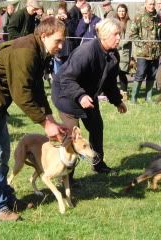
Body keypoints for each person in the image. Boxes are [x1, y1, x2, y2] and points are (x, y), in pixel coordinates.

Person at [0, 17, 67, 222]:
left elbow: (37, 88)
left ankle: (5, 199)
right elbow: (21, 93)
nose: (62, 45)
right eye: (58, 40)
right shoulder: (26, 51)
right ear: (44, 35)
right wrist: (44, 123)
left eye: (63, 40)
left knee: (2, 152)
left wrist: (50, 118)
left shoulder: (39, 52)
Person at [51, 18, 127, 177]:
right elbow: (66, 78)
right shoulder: (86, 52)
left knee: (96, 128)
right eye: (116, 34)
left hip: (88, 98)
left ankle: (98, 164)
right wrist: (80, 96)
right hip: (66, 96)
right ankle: (67, 177)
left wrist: (117, 101)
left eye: (120, 34)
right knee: (73, 137)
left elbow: (109, 83)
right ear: (104, 36)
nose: (119, 38)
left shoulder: (113, 55)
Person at [130, 0, 161, 103]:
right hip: (143, 53)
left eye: (153, 4)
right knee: (140, 73)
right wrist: (142, 45)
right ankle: (134, 98)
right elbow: (133, 34)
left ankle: (148, 97)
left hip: (155, 52)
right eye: (150, 4)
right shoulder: (139, 16)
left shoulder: (158, 17)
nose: (152, 6)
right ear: (145, 4)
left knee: (152, 74)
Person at [116, 4, 132, 99]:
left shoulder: (129, 22)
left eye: (123, 11)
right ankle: (115, 92)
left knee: (122, 73)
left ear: (126, 12)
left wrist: (117, 44)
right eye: (119, 11)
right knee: (113, 73)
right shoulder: (115, 22)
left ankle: (124, 93)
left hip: (124, 52)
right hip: (114, 51)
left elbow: (128, 37)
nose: (121, 12)